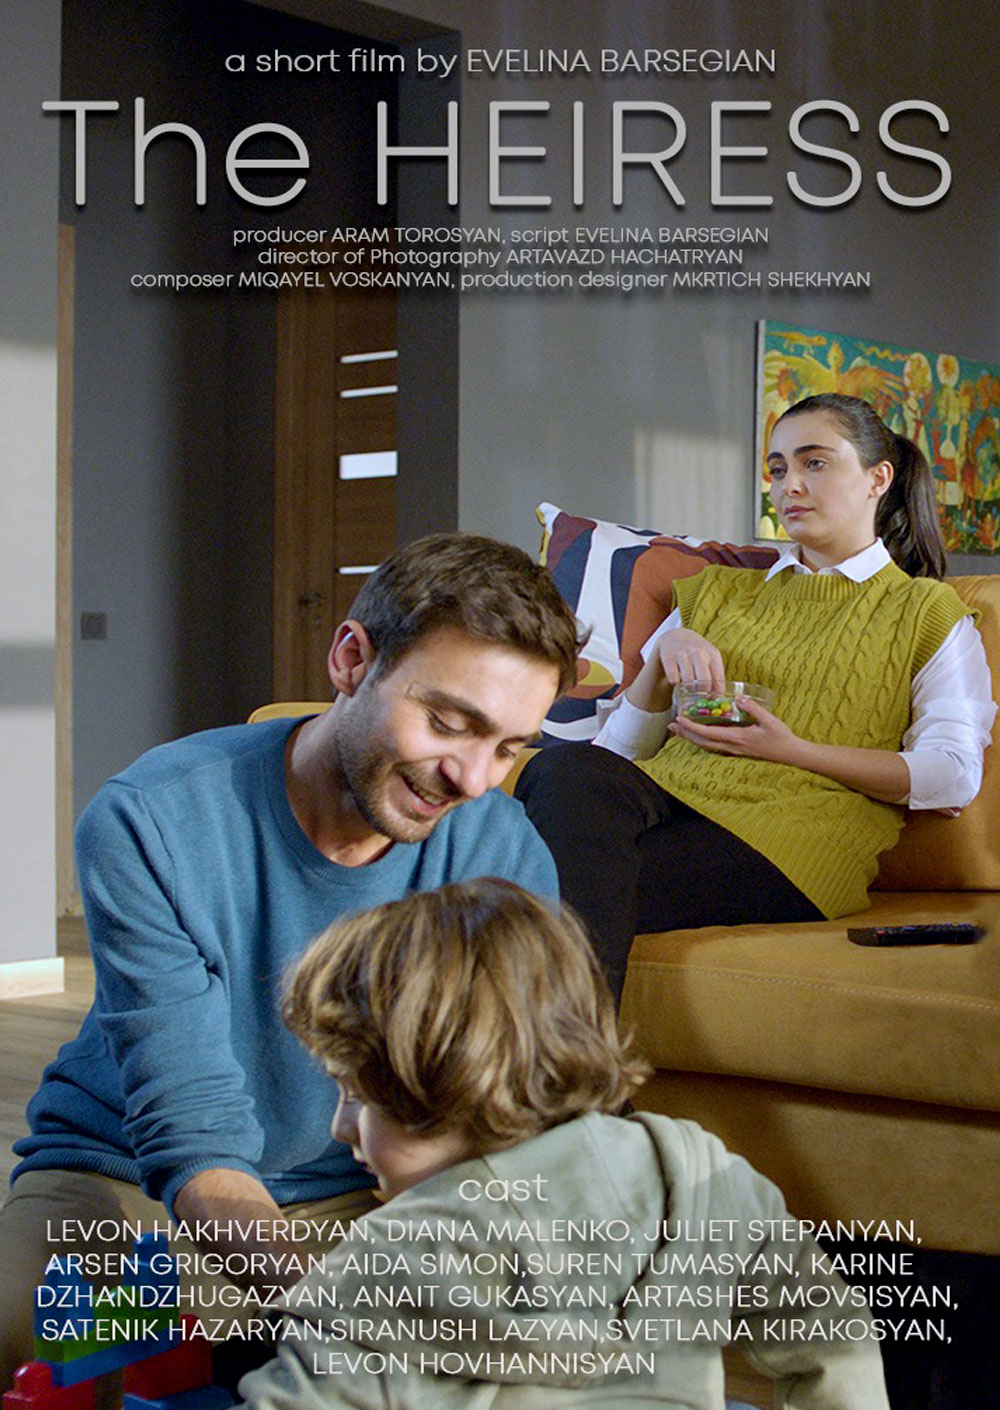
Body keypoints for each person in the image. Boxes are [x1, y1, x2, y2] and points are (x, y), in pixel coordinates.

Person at [0, 533, 581, 1393]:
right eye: (449, 724)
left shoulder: (503, 853)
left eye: (507, 747)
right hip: (136, 1189)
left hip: (370, 1192)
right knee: (33, 1344)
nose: (471, 778)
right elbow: (193, 1137)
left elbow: (506, 1129)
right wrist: (341, 1318)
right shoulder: (152, 821)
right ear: (351, 659)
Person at [238, 876, 892, 1410]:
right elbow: (835, 1337)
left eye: (356, 1094)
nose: (341, 1126)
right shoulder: (699, 1174)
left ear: (438, 1080)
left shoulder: (389, 1263)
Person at [515, 393, 997, 999]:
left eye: (814, 463)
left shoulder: (926, 611)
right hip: (670, 803)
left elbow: (952, 776)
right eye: (777, 468)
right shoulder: (715, 594)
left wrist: (792, 751)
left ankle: (551, 1051)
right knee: (563, 767)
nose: (789, 485)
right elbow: (614, 758)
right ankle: (570, 1059)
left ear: (878, 479)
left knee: (528, 891)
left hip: (793, 845)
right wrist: (660, 662)